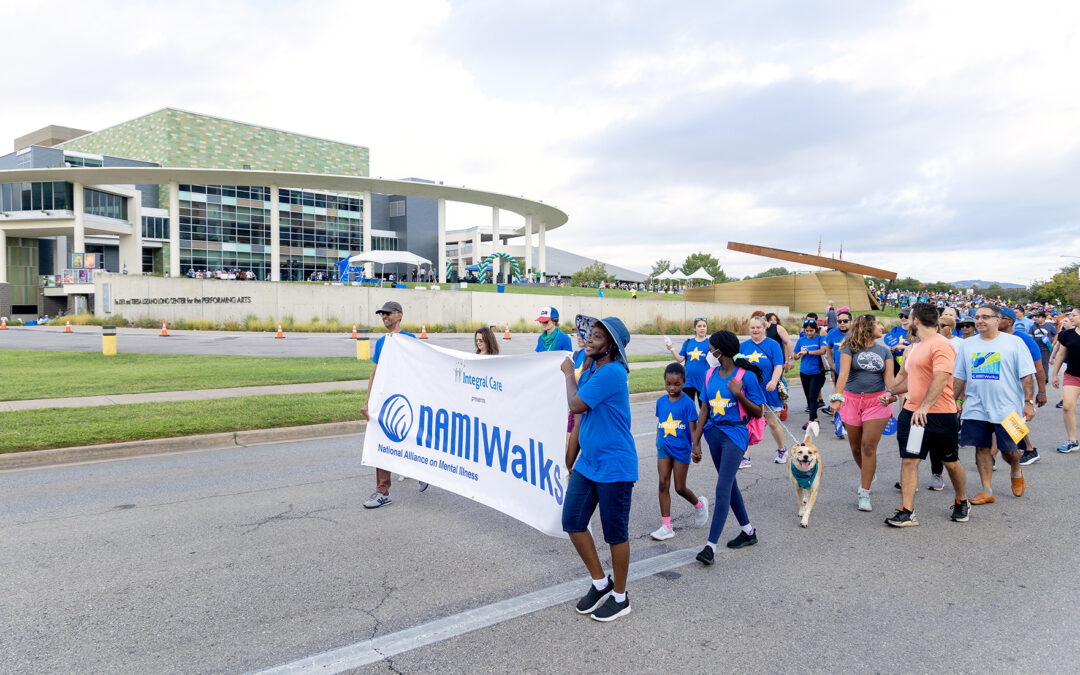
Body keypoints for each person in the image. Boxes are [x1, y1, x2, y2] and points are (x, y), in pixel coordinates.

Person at [560, 316, 636, 622]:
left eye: (597, 336)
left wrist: (568, 374)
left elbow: (576, 405)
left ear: (611, 347)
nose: (589, 339)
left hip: (615, 465)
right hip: (589, 463)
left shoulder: (613, 373)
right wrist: (570, 457)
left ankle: (620, 597)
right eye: (589, 334)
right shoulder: (592, 368)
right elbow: (581, 419)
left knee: (615, 533)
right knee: (573, 521)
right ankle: (600, 582)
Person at [879, 303, 969, 527]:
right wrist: (892, 393)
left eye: (909, 317)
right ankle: (907, 511)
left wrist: (925, 407)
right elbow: (913, 380)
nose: (907, 321)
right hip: (912, 412)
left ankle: (961, 501)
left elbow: (941, 377)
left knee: (950, 462)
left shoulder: (941, 345)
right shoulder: (917, 345)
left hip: (939, 415)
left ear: (916, 320)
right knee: (910, 460)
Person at [691, 330, 764, 565]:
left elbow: (759, 411)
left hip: (736, 434)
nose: (708, 352)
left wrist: (739, 394)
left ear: (720, 350)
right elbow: (704, 408)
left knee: (722, 488)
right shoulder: (710, 373)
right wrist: (696, 440)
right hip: (715, 433)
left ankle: (710, 546)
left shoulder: (746, 376)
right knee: (730, 484)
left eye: (711, 348)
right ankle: (748, 532)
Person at [954, 304, 1036, 506]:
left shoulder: (1014, 343)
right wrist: (953, 401)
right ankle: (987, 490)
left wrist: (1029, 402)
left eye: (985, 317)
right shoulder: (967, 345)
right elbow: (959, 377)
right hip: (975, 407)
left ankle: (1015, 468)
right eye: (977, 316)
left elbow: (1027, 375)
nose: (979, 320)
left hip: (1008, 408)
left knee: (1010, 450)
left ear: (997, 320)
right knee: (981, 448)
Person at [360, 301, 423, 507]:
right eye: (382, 314)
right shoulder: (381, 342)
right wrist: (367, 402)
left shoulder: (410, 340)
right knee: (382, 440)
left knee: (409, 438)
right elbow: (374, 373)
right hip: (384, 401)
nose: (384, 317)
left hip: (406, 401)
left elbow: (420, 370)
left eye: (388, 313)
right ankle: (382, 492)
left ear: (399, 316)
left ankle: (424, 470)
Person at [829, 314, 895, 512]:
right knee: (856, 448)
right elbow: (844, 374)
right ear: (867, 327)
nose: (881, 327)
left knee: (867, 447)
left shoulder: (885, 352)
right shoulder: (849, 348)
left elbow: (889, 380)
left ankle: (864, 492)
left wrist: (892, 394)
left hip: (877, 402)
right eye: (877, 324)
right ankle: (868, 470)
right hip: (852, 400)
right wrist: (836, 398)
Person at [650, 362, 709, 540]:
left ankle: (699, 505)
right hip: (664, 447)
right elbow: (659, 423)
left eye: (677, 384)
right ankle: (666, 526)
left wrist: (696, 448)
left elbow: (693, 428)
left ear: (684, 382)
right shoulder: (660, 402)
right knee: (662, 483)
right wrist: (658, 439)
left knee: (679, 487)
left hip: (681, 449)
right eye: (668, 384)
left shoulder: (687, 404)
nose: (672, 387)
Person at [998, 307, 1047, 466]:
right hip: (998, 387)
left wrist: (1042, 392)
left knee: (1011, 419)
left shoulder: (1024, 339)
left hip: (1018, 387)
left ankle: (1026, 450)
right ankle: (1028, 449)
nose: (996, 319)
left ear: (1010, 321)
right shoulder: (991, 338)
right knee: (1008, 420)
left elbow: (1038, 368)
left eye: (1000, 317)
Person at [741, 316, 790, 463]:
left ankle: (782, 450)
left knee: (772, 422)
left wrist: (774, 381)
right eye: (752, 328)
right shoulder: (743, 346)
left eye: (758, 327)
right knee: (748, 422)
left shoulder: (773, 345)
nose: (755, 330)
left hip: (768, 389)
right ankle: (745, 456)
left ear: (764, 328)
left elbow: (778, 365)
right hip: (749, 391)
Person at [1051, 306, 1080, 453]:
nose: (1070, 318)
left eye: (1074, 315)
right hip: (1072, 375)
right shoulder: (1067, 334)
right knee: (1068, 406)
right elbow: (1061, 355)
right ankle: (1072, 441)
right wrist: (1055, 374)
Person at [666, 318, 711, 406]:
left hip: (703, 381)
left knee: (704, 409)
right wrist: (671, 349)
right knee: (688, 408)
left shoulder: (710, 343)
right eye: (699, 326)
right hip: (688, 381)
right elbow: (680, 359)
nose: (702, 328)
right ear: (695, 328)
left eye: (704, 326)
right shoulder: (688, 342)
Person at [794, 319, 828, 429]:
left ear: (816, 330)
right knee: (808, 397)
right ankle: (816, 419)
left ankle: (810, 421)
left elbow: (823, 351)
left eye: (811, 330)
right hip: (804, 371)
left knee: (813, 396)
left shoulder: (820, 339)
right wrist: (798, 355)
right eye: (807, 330)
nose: (809, 333)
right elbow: (795, 355)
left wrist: (808, 352)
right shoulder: (801, 340)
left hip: (817, 372)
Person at [1030, 312, 1057, 381]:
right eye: (1036, 317)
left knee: (1044, 364)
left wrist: (1053, 343)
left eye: (1038, 317)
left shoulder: (1049, 326)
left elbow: (1056, 334)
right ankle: (1039, 377)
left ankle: (1045, 379)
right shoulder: (1033, 326)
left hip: (1045, 348)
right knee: (1037, 364)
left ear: (1044, 318)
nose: (1036, 318)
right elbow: (1031, 335)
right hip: (1036, 348)